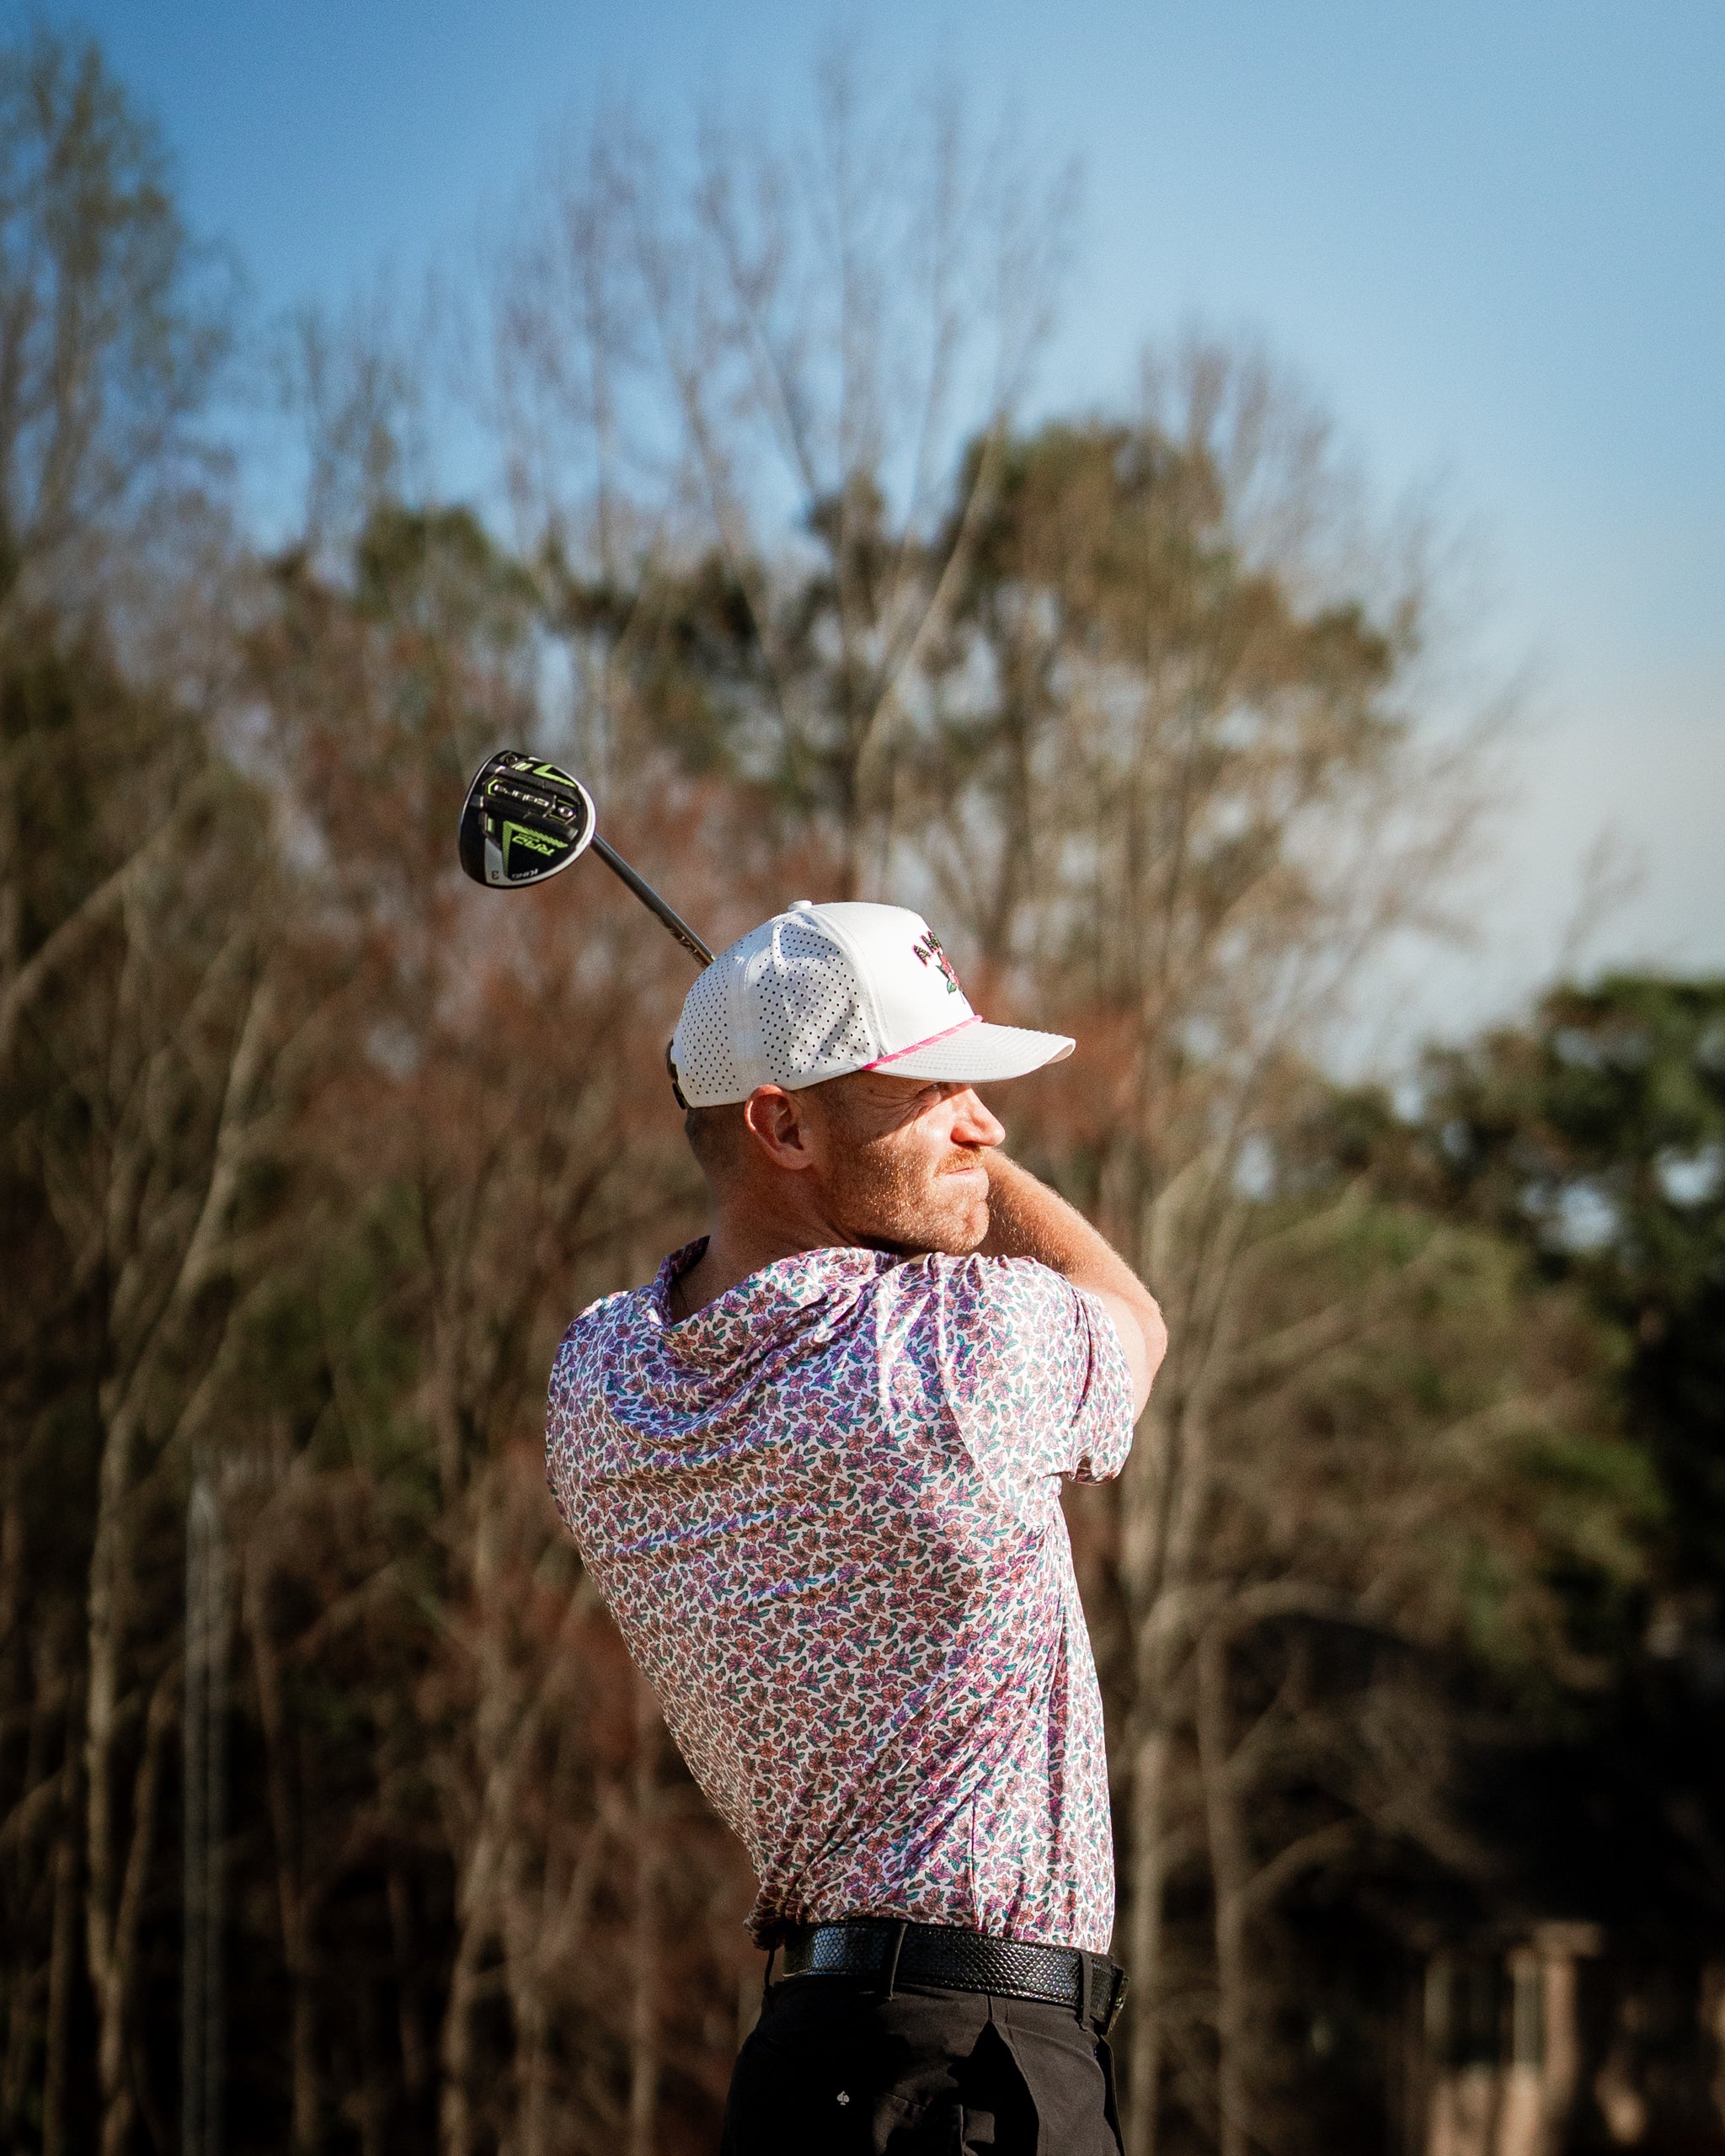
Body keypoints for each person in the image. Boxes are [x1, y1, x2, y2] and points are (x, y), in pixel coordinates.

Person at [547, 899, 1167, 2153]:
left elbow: (736, 1268)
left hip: (801, 2073)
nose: (983, 1129)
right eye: (938, 1092)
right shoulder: (955, 1348)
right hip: (984, 2077)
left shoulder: (602, 1381)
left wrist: (864, 1127)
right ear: (781, 1123)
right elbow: (1130, 1314)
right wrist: (982, 1176)